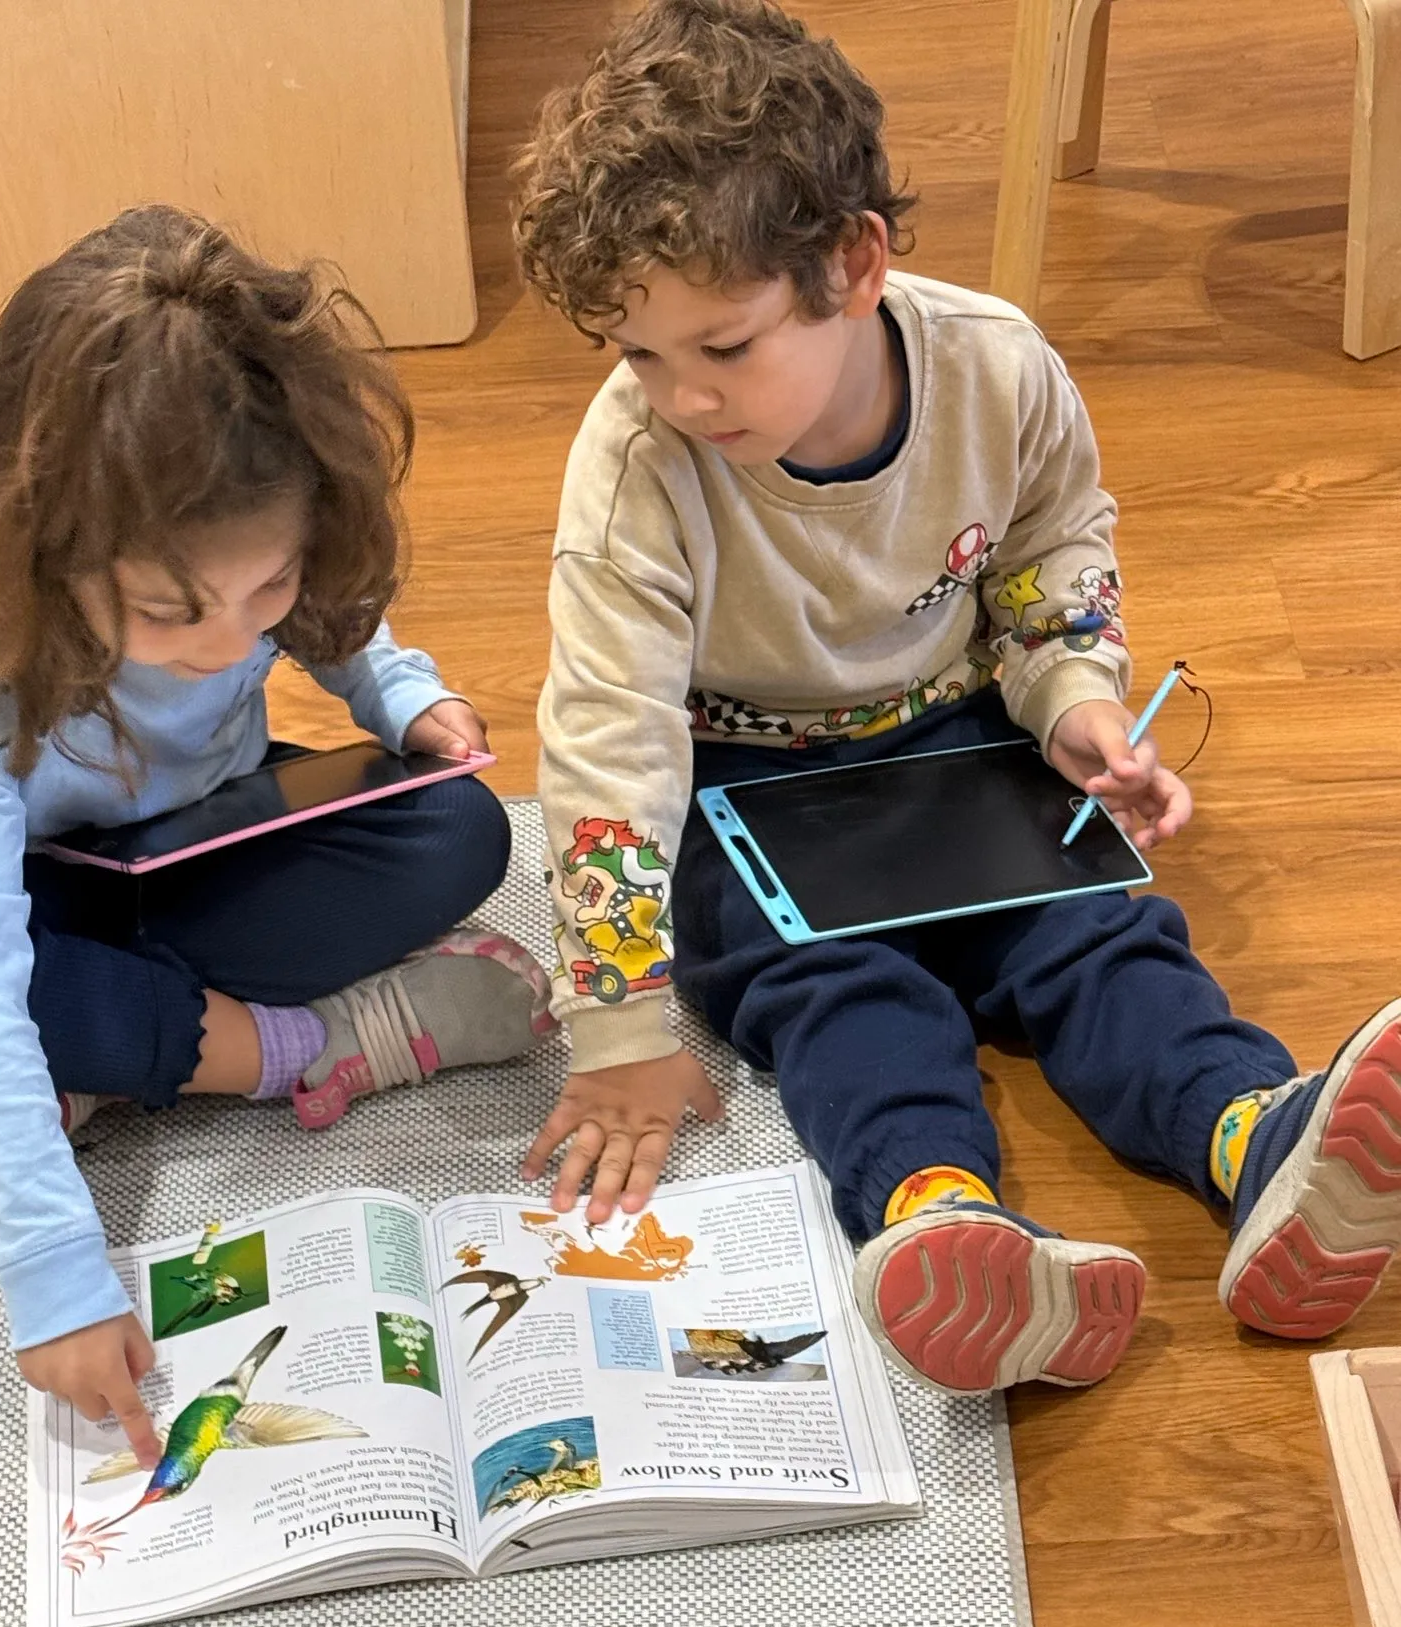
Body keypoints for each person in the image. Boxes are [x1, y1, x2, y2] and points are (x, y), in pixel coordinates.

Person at [511, 0, 1401, 1394]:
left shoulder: (997, 365)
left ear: (854, 263)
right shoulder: (636, 470)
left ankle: (1252, 1137)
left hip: (964, 734)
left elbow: (1055, 551)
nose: (682, 396)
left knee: (1095, 936)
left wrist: (1075, 701)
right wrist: (618, 1028)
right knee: (836, 987)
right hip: (737, 783)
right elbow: (605, 749)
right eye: (640, 355)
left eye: (725, 347)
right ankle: (940, 1216)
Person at [0, 205, 553, 1461]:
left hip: (197, 860)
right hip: (24, 898)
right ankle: (291, 1044)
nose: (231, 642)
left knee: (461, 834)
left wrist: (404, 700)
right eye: (169, 611)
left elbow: (343, 621)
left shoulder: (261, 547)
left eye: (268, 588)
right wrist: (55, 1276)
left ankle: (99, 1050)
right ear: (47, 546)